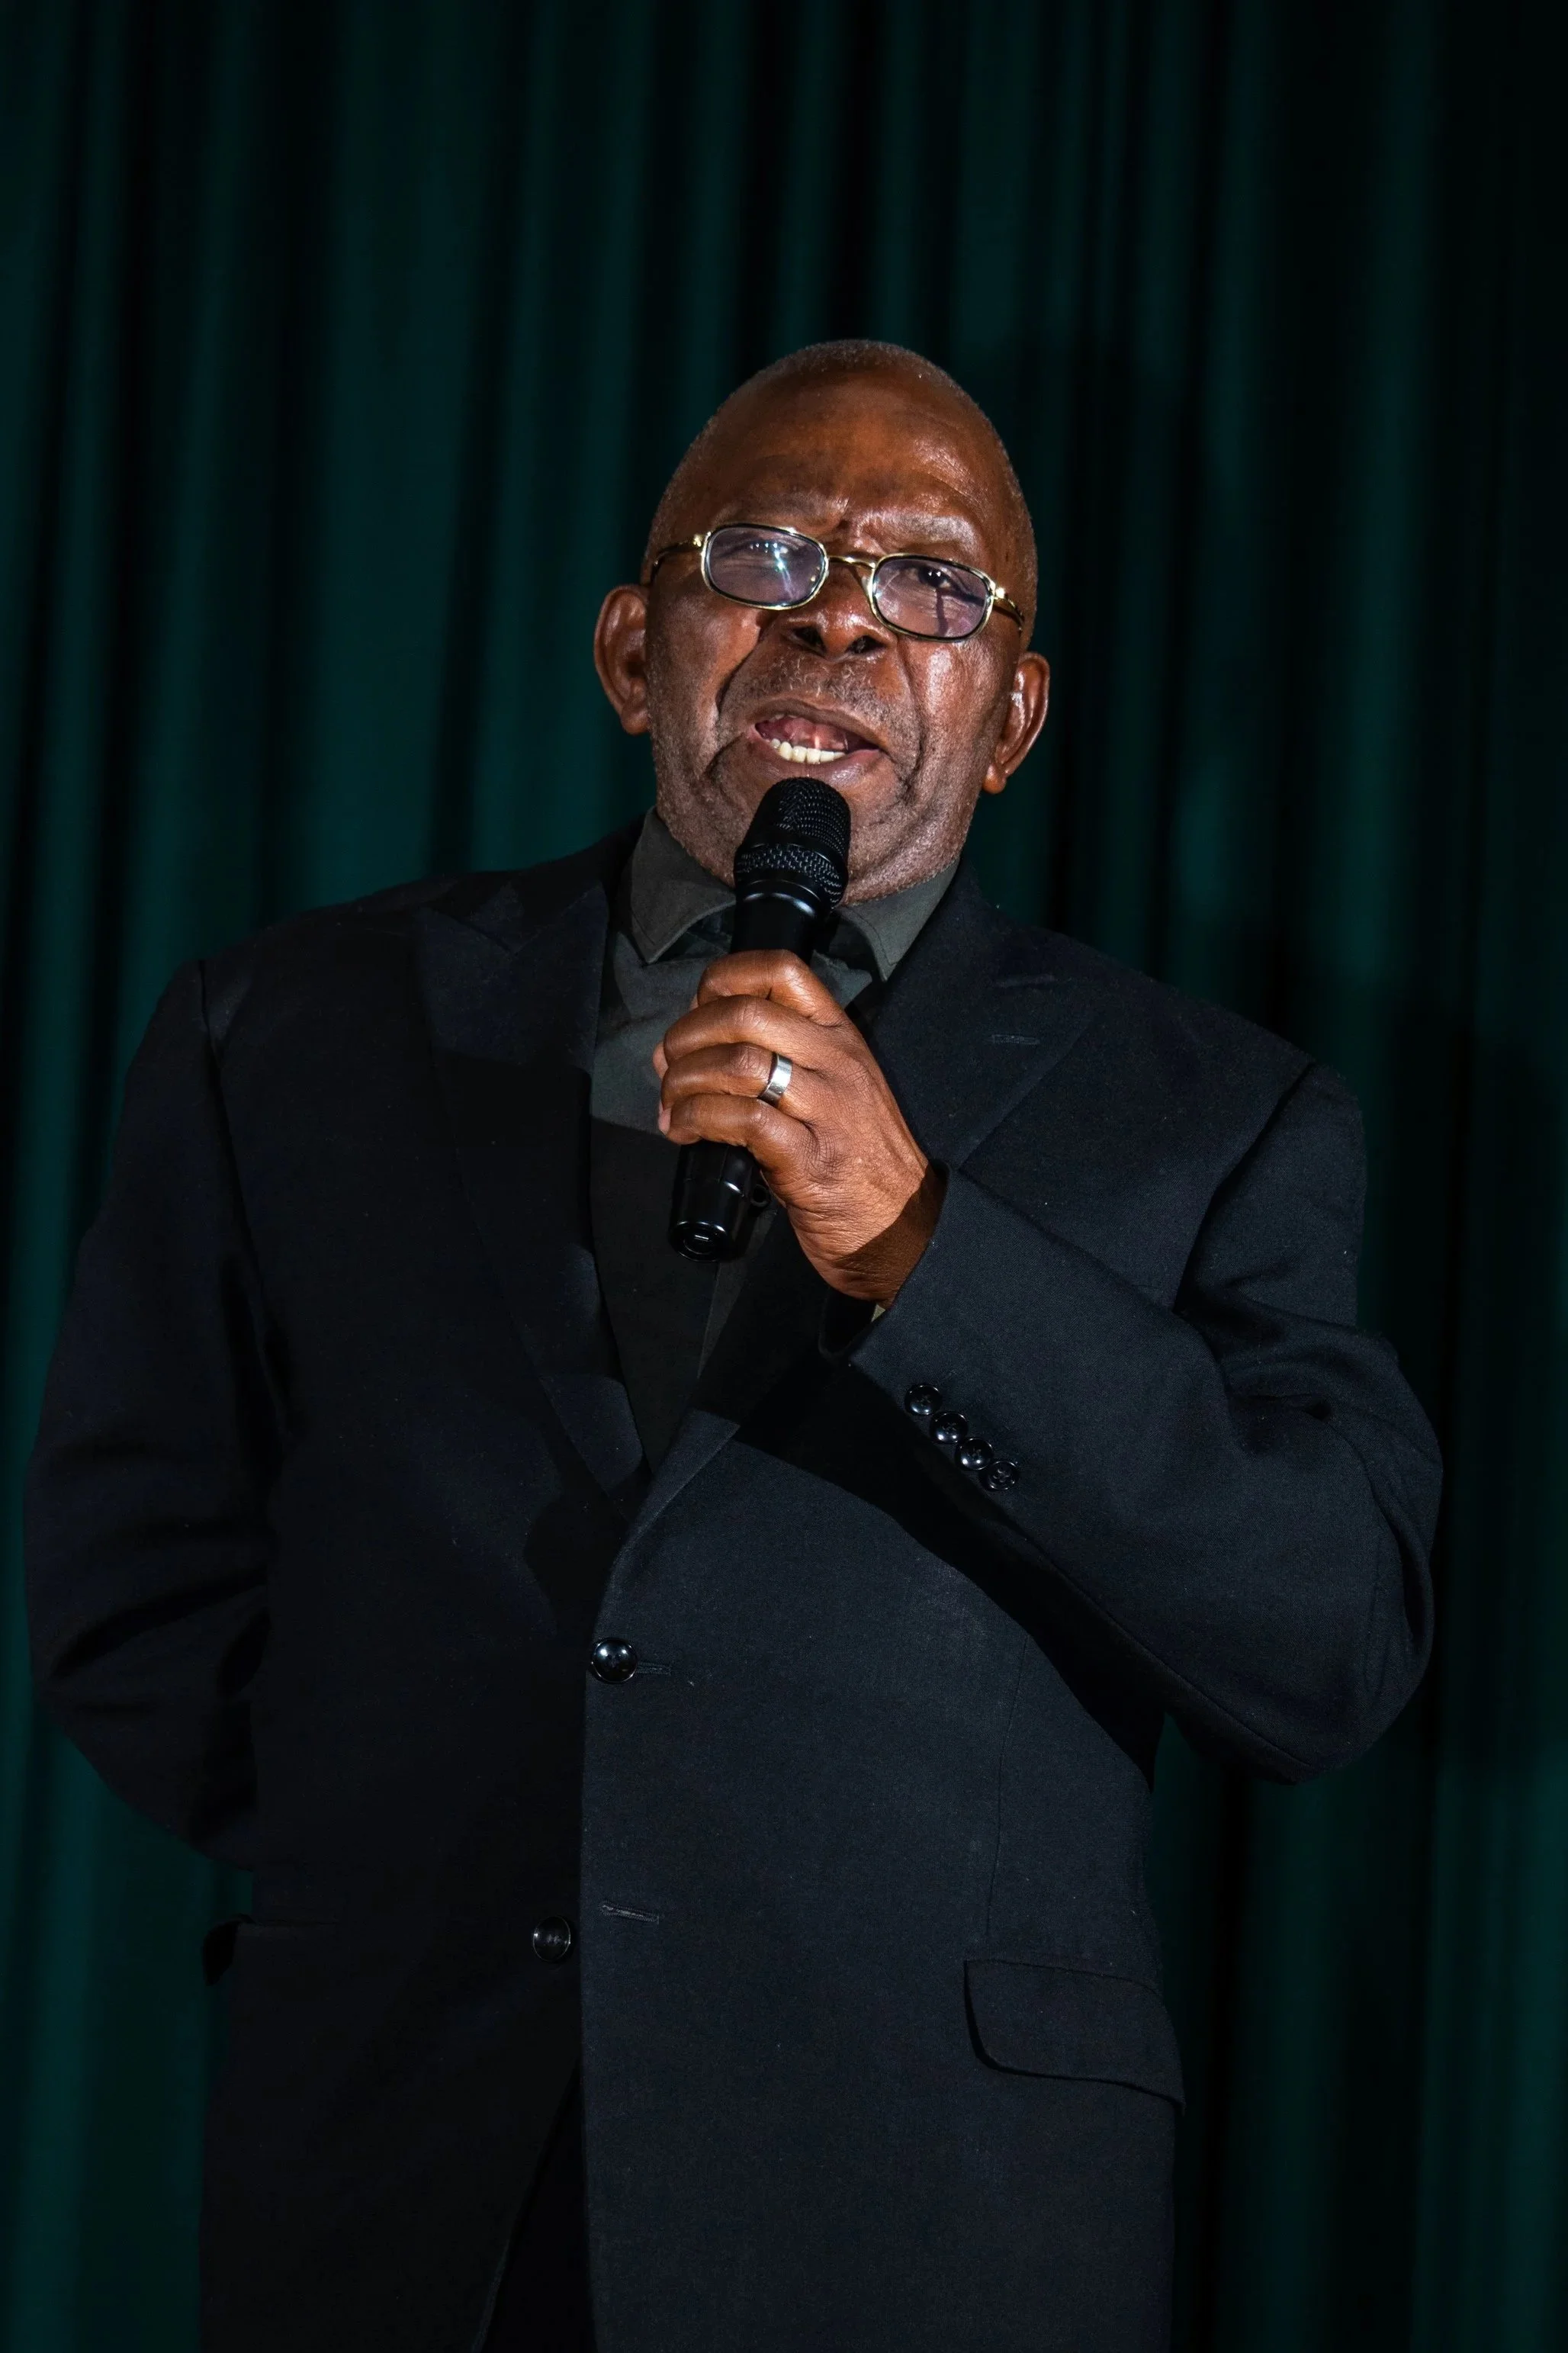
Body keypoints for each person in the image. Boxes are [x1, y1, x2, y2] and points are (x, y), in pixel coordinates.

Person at [25, 341, 1441, 2353]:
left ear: (1013, 713)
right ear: (634, 648)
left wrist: (925, 1245)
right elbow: (134, 1581)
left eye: (932, 583)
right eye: (765, 551)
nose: (842, 610)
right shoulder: (288, 1030)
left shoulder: (1214, 1118)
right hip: (398, 2182)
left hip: (929, 2210)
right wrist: (426, 1843)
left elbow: (1326, 1636)